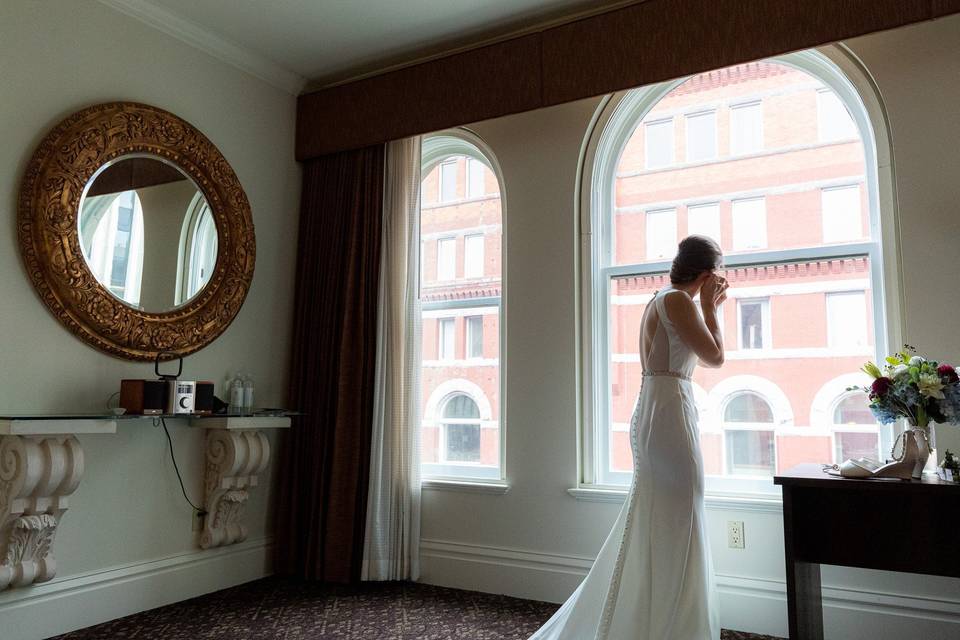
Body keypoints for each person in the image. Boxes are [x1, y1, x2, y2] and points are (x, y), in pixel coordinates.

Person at [528, 235, 728, 640]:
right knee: (679, 514)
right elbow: (716, 357)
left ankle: (652, 616)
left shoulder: (662, 299)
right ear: (707, 274)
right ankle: (665, 622)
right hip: (667, 411)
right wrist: (710, 308)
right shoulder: (677, 301)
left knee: (666, 517)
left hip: (663, 406)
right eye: (718, 274)